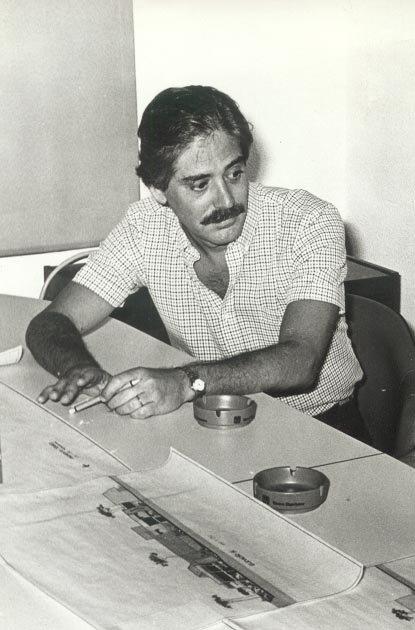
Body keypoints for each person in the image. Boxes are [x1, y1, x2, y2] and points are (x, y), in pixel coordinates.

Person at [26, 85, 368, 441]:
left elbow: (300, 361)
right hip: (211, 424)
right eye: (200, 185)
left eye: (234, 174)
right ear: (159, 190)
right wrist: (78, 368)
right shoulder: (143, 228)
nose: (226, 200)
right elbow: (50, 322)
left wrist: (185, 382)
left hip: (320, 429)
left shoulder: (308, 221)